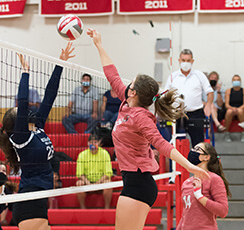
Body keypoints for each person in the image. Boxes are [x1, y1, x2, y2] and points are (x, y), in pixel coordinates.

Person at [88, 28, 209, 230]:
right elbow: (112, 75)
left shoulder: (141, 117)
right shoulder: (127, 101)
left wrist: (189, 166)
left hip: (139, 184)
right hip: (132, 181)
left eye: (132, 83)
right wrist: (99, 44)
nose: (128, 85)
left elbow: (161, 144)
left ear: (134, 92)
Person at [0, 43, 75, 230]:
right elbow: (22, 102)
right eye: (19, 112)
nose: (24, 109)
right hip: (30, 200)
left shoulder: (37, 127)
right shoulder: (21, 138)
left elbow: (50, 96)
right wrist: (25, 72)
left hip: (38, 197)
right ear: (18, 122)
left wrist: (59, 63)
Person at [164, 49, 214, 147]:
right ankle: (177, 163)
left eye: (188, 60)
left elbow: (210, 92)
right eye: (183, 60)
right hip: (177, 114)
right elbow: (165, 94)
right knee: (177, 144)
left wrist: (208, 104)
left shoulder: (199, 75)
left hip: (196, 114)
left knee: (198, 145)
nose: (185, 63)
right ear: (179, 60)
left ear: (192, 61)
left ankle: (197, 162)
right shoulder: (172, 76)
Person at [177, 142, 230, 230]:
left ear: (206, 157)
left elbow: (223, 211)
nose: (193, 151)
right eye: (193, 148)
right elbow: (185, 215)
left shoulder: (213, 179)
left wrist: (199, 196)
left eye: (197, 150)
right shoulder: (186, 183)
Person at [75, 134, 113, 209]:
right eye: (91, 142)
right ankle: (83, 208)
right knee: (79, 183)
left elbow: (108, 173)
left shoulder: (104, 153)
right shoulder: (82, 155)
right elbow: (79, 174)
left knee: (108, 183)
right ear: (87, 143)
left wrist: (97, 183)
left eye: (95, 142)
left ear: (99, 143)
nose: (93, 144)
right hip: (87, 182)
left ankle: (107, 208)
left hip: (101, 182)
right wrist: (88, 183)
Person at [224, 75, 244, 142]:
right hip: (231, 109)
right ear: (232, 81)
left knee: (240, 111)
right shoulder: (228, 91)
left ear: (240, 81)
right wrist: (233, 108)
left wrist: (238, 109)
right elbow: (226, 104)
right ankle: (227, 132)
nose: (236, 81)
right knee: (229, 111)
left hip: (241, 109)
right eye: (234, 80)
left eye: (237, 80)